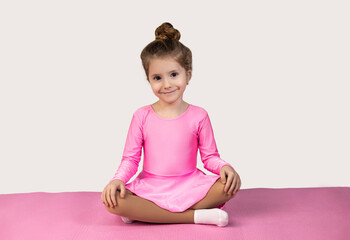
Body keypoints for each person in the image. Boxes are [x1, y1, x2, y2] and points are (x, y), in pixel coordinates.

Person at [101, 22, 241, 227]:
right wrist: (117, 180)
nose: (166, 84)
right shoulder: (142, 115)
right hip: (151, 186)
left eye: (174, 75)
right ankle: (197, 216)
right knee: (113, 202)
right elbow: (130, 159)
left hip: (190, 185)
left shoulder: (199, 115)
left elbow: (210, 157)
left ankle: (148, 213)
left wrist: (224, 167)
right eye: (157, 77)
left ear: (188, 75)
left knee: (229, 186)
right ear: (149, 79)